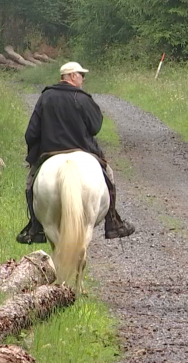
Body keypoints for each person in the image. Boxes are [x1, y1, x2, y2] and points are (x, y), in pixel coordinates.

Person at [17, 62, 136, 244]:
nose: (83, 78)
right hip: (82, 149)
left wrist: (35, 153)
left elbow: (31, 133)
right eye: (81, 75)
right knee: (109, 176)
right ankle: (113, 222)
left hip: (50, 152)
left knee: (30, 183)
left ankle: (35, 226)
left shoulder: (45, 97)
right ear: (72, 76)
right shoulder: (82, 98)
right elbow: (95, 127)